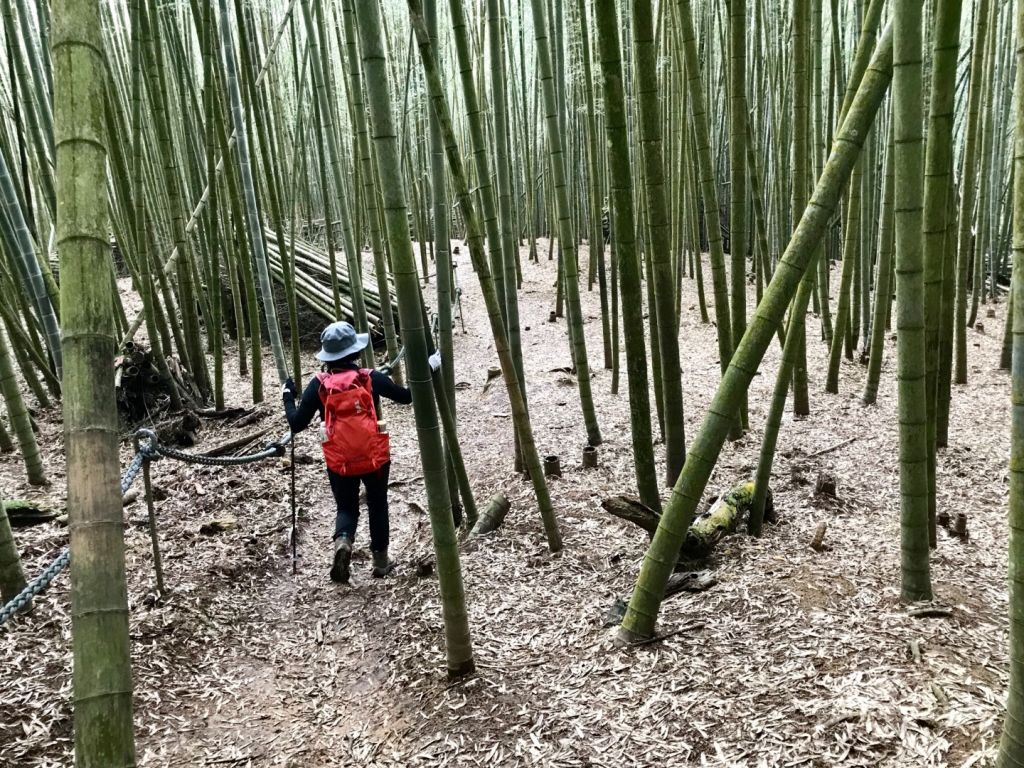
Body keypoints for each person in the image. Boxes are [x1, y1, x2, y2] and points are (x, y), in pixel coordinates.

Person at [283, 321, 439, 583]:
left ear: (328, 356)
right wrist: (430, 368)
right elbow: (407, 396)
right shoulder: (369, 378)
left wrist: (287, 395)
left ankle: (343, 542)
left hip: (339, 459)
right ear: (355, 352)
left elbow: (296, 424)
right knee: (378, 504)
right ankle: (380, 562)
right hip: (374, 456)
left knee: (346, 507)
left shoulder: (319, 384)